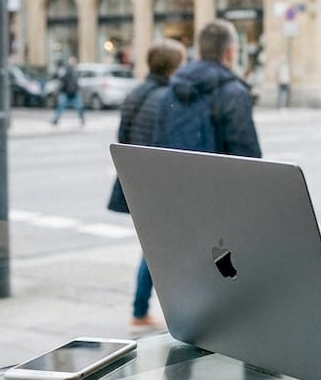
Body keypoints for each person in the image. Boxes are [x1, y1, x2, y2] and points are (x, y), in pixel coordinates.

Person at [108, 39, 189, 328]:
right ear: (174, 66)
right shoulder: (168, 97)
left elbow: (122, 138)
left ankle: (141, 310)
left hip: (136, 182)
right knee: (162, 249)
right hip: (160, 185)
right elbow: (171, 147)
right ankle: (146, 311)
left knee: (156, 246)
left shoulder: (135, 94)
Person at [162, 19, 262, 158]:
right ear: (230, 52)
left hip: (177, 176)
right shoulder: (234, 93)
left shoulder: (172, 89)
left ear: (199, 52)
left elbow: (159, 144)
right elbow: (248, 159)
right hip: (216, 178)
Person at [51, 55, 85, 126]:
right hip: (66, 91)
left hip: (74, 92)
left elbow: (77, 82)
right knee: (61, 105)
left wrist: (78, 89)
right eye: (72, 61)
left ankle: (82, 119)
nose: (73, 63)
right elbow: (59, 77)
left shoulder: (76, 71)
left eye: (74, 62)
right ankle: (56, 119)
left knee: (80, 106)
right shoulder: (66, 69)